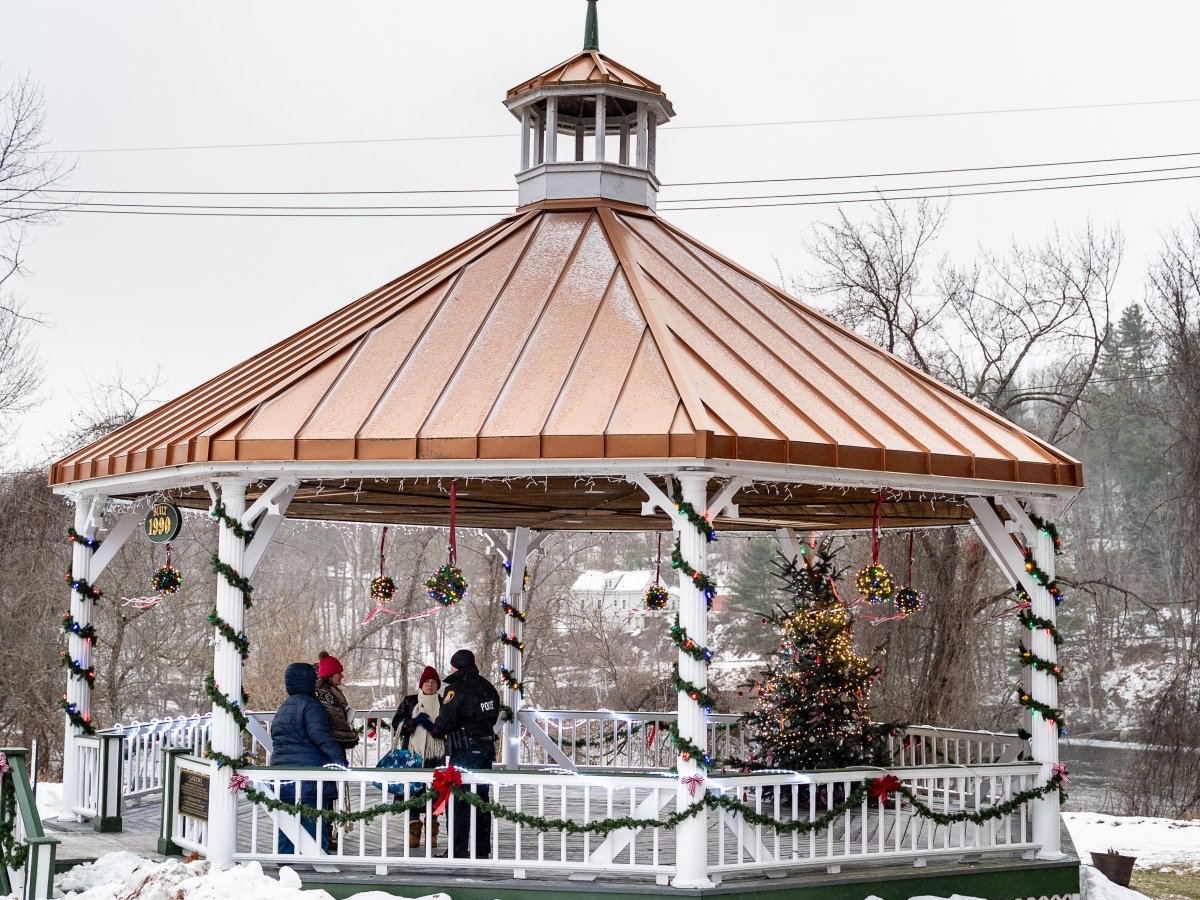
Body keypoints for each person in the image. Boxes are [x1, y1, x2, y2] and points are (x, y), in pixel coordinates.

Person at [423, 648, 500, 859]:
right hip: (486, 749)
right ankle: (481, 849)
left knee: (459, 800)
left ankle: (457, 849)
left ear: (456, 667)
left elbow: (445, 722)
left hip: (465, 750)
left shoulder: (455, 690)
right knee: (481, 799)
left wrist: (434, 728)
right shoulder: (488, 687)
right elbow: (493, 716)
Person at [269, 662, 345, 854]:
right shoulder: (312, 706)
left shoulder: (283, 708)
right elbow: (322, 738)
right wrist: (340, 762)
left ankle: (285, 861)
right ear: (310, 681)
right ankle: (317, 861)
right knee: (314, 825)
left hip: (283, 777)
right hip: (311, 779)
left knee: (287, 825)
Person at [391, 665, 445, 848]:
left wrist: (435, 729)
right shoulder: (410, 702)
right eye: (427, 682)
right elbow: (396, 724)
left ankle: (432, 832)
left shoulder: (443, 702)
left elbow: (448, 727)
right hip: (413, 755)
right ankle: (413, 832)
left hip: (436, 757)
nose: (430, 685)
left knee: (435, 793)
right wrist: (414, 722)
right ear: (421, 685)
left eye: (434, 682)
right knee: (413, 791)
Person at [314, 651, 359, 759]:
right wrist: (349, 735)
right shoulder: (324, 694)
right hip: (330, 747)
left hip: (332, 745)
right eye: (338, 673)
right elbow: (336, 719)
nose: (342, 676)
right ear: (329, 675)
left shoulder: (332, 691)